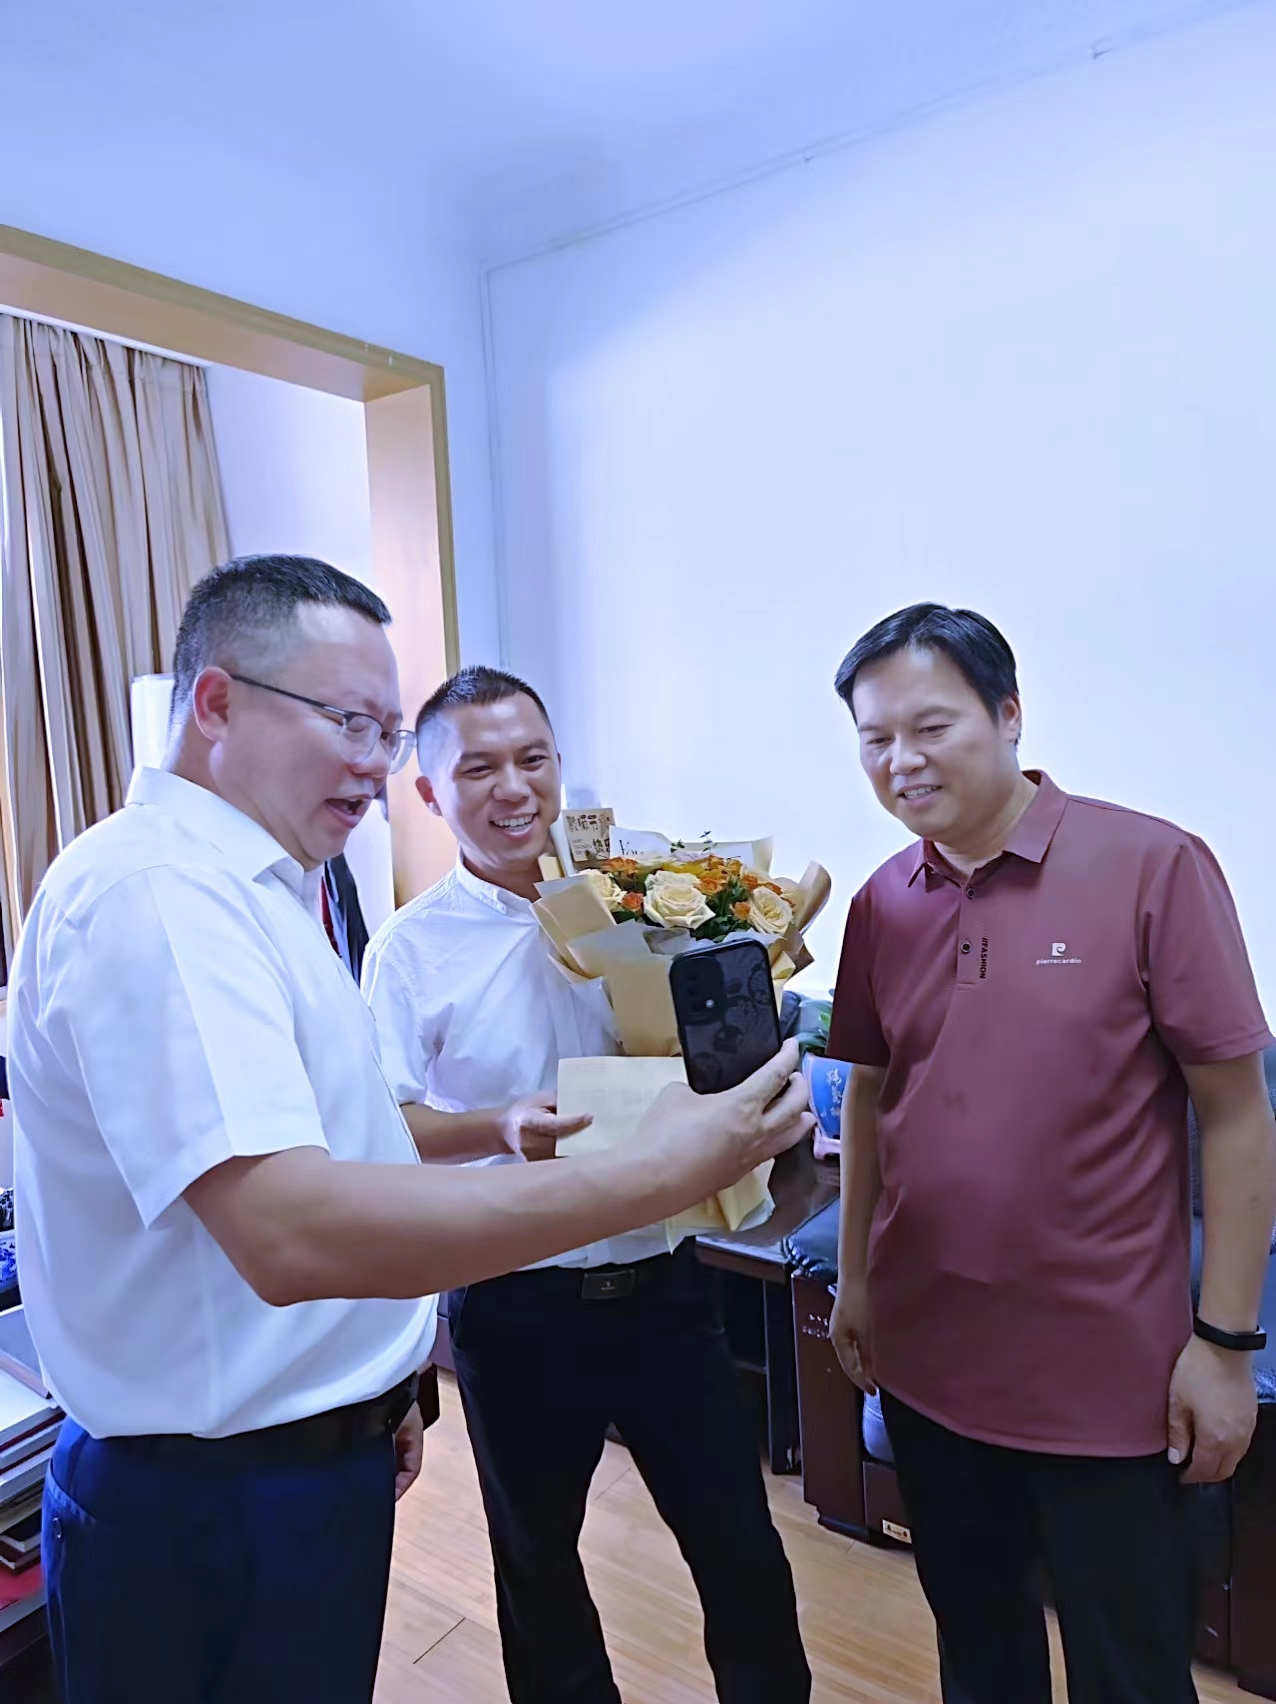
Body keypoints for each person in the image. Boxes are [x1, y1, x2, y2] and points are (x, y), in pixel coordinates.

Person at [7, 555, 813, 1704]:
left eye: (382, 732)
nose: (370, 763)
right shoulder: (163, 898)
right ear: (217, 701)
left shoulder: (265, 894)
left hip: (316, 1445)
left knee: (738, 1550)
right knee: (540, 1575)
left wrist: (372, 1391)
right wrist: (650, 1166)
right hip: (223, 1487)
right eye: (350, 723)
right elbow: (290, 1228)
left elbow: (340, 1153)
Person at [826, 602, 1276, 1704]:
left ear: (1010, 713)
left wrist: (1225, 1345)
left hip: (1107, 1383)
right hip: (929, 1365)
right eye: (875, 739)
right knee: (980, 1657)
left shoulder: (1151, 866)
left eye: (930, 726)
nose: (900, 760)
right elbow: (874, 1099)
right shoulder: (882, 902)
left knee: (1131, 1672)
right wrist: (854, 1280)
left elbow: (1236, 1113)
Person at [362, 665, 812, 1704]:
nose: (514, 787)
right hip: (516, 1302)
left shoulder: (643, 902)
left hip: (666, 1285)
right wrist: (496, 1127)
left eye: (533, 759)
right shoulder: (410, 949)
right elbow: (383, 1127)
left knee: (742, 1551)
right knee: (539, 1570)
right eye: (478, 768)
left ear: (560, 766)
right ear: (429, 793)